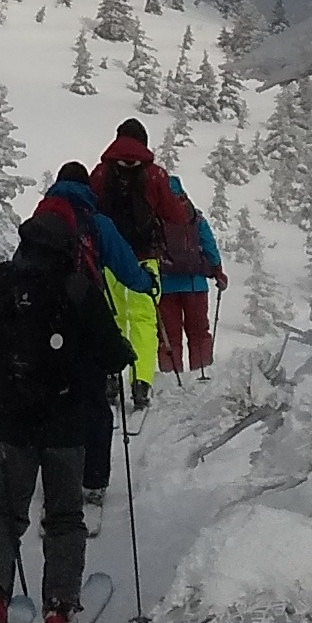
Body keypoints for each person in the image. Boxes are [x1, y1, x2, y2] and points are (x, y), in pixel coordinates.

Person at [0, 193, 132, 623]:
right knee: (65, 518)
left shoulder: (3, 282)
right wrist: (120, 357)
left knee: (4, 515)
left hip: (10, 423)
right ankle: (57, 614)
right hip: (66, 424)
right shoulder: (77, 285)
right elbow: (112, 351)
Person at [45, 157, 135, 527]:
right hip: (86, 316)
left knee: (53, 400)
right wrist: (146, 283)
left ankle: (56, 479)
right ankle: (93, 483)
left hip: (44, 324)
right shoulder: (96, 222)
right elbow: (125, 266)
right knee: (94, 402)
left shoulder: (42, 220)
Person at [89, 118, 173, 414]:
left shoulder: (101, 172)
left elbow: (91, 209)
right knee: (143, 320)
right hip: (144, 258)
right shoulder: (154, 174)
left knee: (112, 316)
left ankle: (111, 377)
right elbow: (173, 213)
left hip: (109, 258)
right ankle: (141, 383)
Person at [155, 172, 228, 377]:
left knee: (169, 337)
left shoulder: (154, 217)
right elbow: (209, 246)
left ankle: (172, 376)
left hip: (165, 286)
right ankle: (201, 372)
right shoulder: (195, 217)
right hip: (195, 283)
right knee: (199, 334)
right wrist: (218, 271)